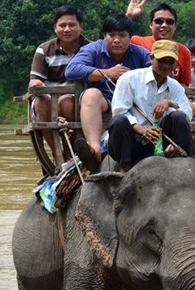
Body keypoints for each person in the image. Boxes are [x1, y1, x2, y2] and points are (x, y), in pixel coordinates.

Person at [64, 14, 151, 172]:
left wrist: (135, 77)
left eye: (122, 35)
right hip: (105, 101)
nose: (116, 40)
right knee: (90, 94)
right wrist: (107, 73)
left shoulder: (141, 53)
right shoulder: (94, 49)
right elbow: (72, 69)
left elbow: (162, 73)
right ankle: (94, 149)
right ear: (105, 36)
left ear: (130, 38)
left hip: (134, 104)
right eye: (112, 35)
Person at [106, 40, 195, 172]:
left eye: (170, 62)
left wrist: (169, 103)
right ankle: (124, 169)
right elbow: (119, 111)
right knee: (118, 121)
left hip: (159, 142)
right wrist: (142, 130)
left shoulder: (175, 86)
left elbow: (187, 114)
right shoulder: (129, 79)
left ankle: (192, 164)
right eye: (161, 60)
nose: (166, 65)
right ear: (152, 58)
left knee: (178, 116)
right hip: (132, 142)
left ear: (175, 64)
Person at [28, 5, 91, 159]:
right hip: (49, 98)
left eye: (72, 25)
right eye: (62, 25)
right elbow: (35, 80)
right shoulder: (44, 50)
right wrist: (36, 84)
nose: (67, 29)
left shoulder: (91, 48)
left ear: (81, 27)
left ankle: (70, 152)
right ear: (55, 28)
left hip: (79, 100)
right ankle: (58, 155)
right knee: (41, 101)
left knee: (67, 102)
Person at [125, 0, 192, 86]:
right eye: (159, 21)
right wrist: (129, 17)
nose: (164, 25)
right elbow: (113, 42)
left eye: (169, 22)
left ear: (175, 26)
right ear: (151, 24)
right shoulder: (136, 42)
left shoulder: (184, 51)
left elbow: (184, 85)